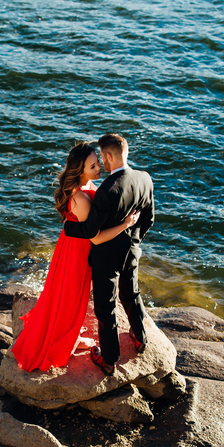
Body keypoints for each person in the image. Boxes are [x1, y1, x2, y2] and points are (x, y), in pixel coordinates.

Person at [12, 142, 140, 373]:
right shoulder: (79, 198)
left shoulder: (86, 184)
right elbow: (97, 238)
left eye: (98, 162)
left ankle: (68, 334)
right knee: (71, 298)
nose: (99, 167)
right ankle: (62, 339)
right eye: (93, 165)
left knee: (73, 296)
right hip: (77, 252)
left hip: (73, 245)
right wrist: (126, 224)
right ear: (80, 171)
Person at [62, 133, 154, 375]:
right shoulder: (145, 178)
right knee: (131, 293)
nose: (101, 162)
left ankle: (109, 360)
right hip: (132, 251)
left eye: (102, 157)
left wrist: (69, 227)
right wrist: (133, 242)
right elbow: (149, 219)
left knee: (106, 307)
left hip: (106, 257)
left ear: (110, 155)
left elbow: (91, 231)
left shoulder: (107, 190)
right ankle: (141, 338)